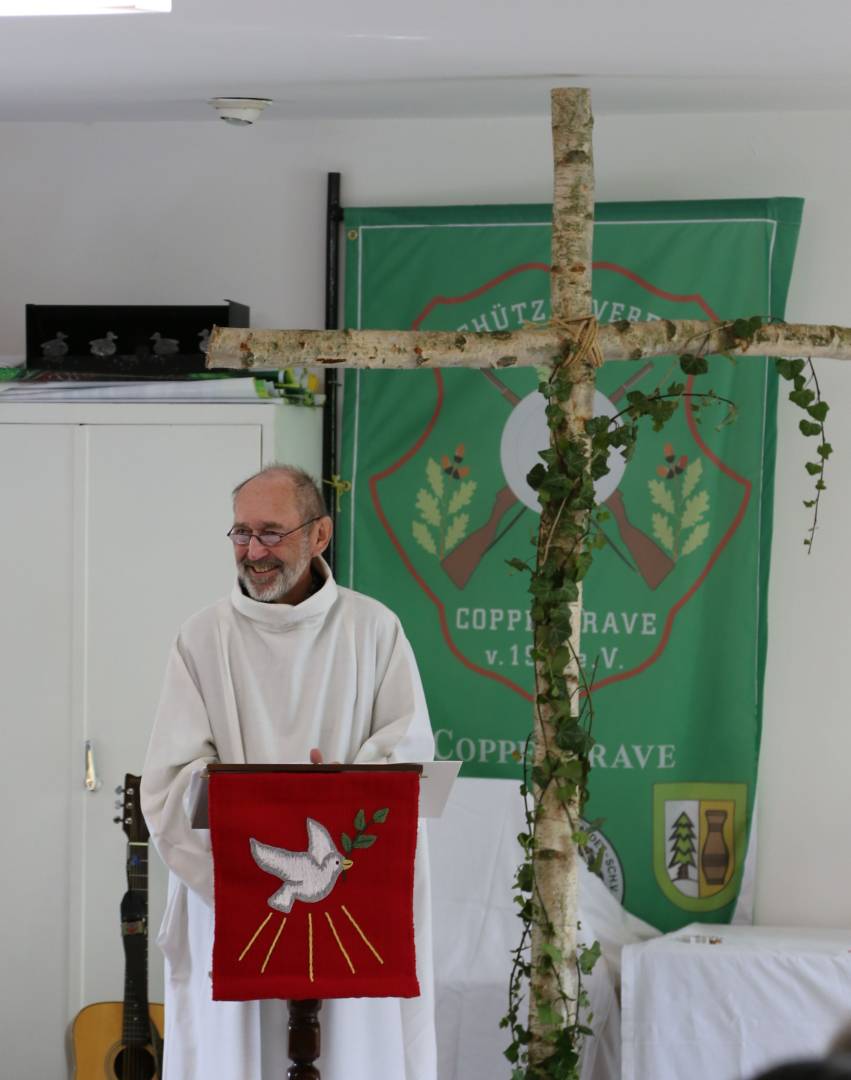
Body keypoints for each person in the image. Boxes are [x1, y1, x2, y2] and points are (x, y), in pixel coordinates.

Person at [140, 464, 436, 1080]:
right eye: (242, 534)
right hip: (235, 899)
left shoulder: (374, 631)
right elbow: (168, 782)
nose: (253, 551)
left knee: (356, 1054)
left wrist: (339, 793)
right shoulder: (202, 639)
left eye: (271, 533)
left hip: (351, 905)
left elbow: (408, 754)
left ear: (320, 535)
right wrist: (261, 808)